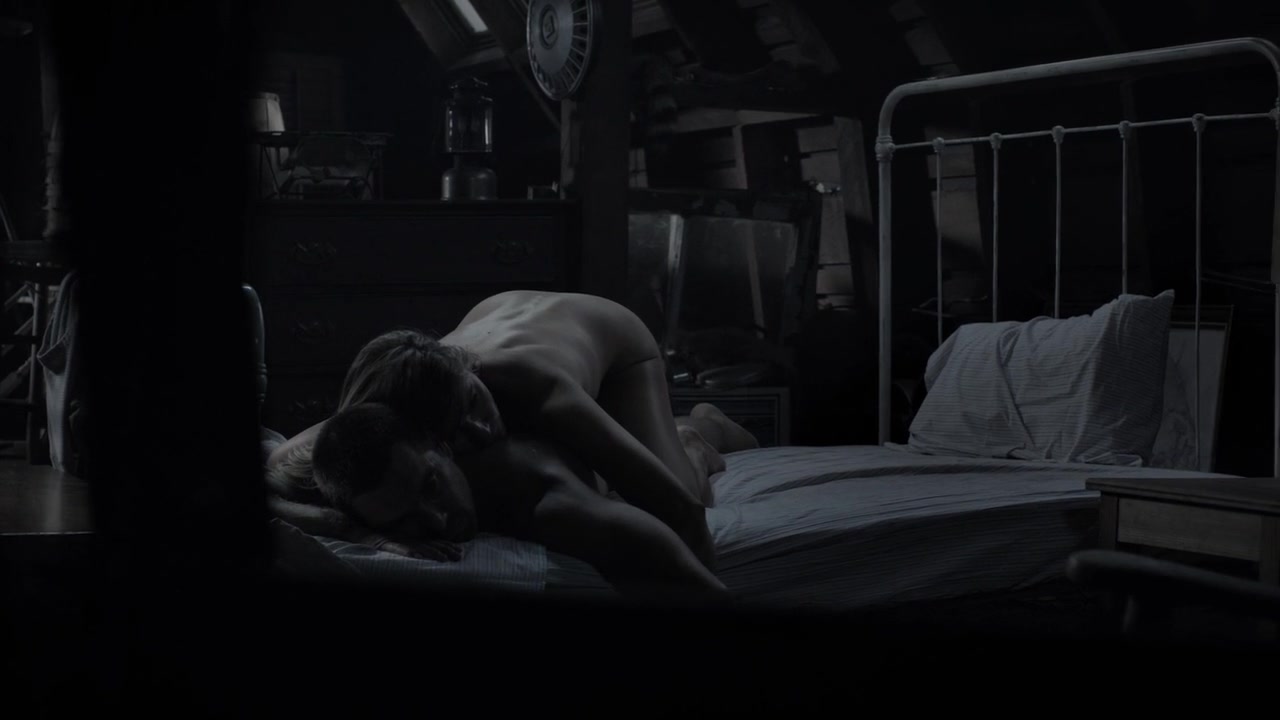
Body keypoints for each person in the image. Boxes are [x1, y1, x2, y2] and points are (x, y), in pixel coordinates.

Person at [267, 290, 761, 569]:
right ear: (422, 435)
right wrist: (354, 531)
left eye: (474, 404)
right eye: (458, 433)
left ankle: (700, 431)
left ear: (469, 373)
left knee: (678, 489)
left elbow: (683, 517)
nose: (483, 431)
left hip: (613, 338)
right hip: (497, 313)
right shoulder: (378, 419)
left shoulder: (541, 389)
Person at [310, 401, 731, 600]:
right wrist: (366, 537)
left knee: (686, 482)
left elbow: (702, 583)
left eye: (431, 486)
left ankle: (695, 438)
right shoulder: (337, 471)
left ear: (441, 444)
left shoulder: (550, 506)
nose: (437, 522)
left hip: (606, 404)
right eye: (402, 521)